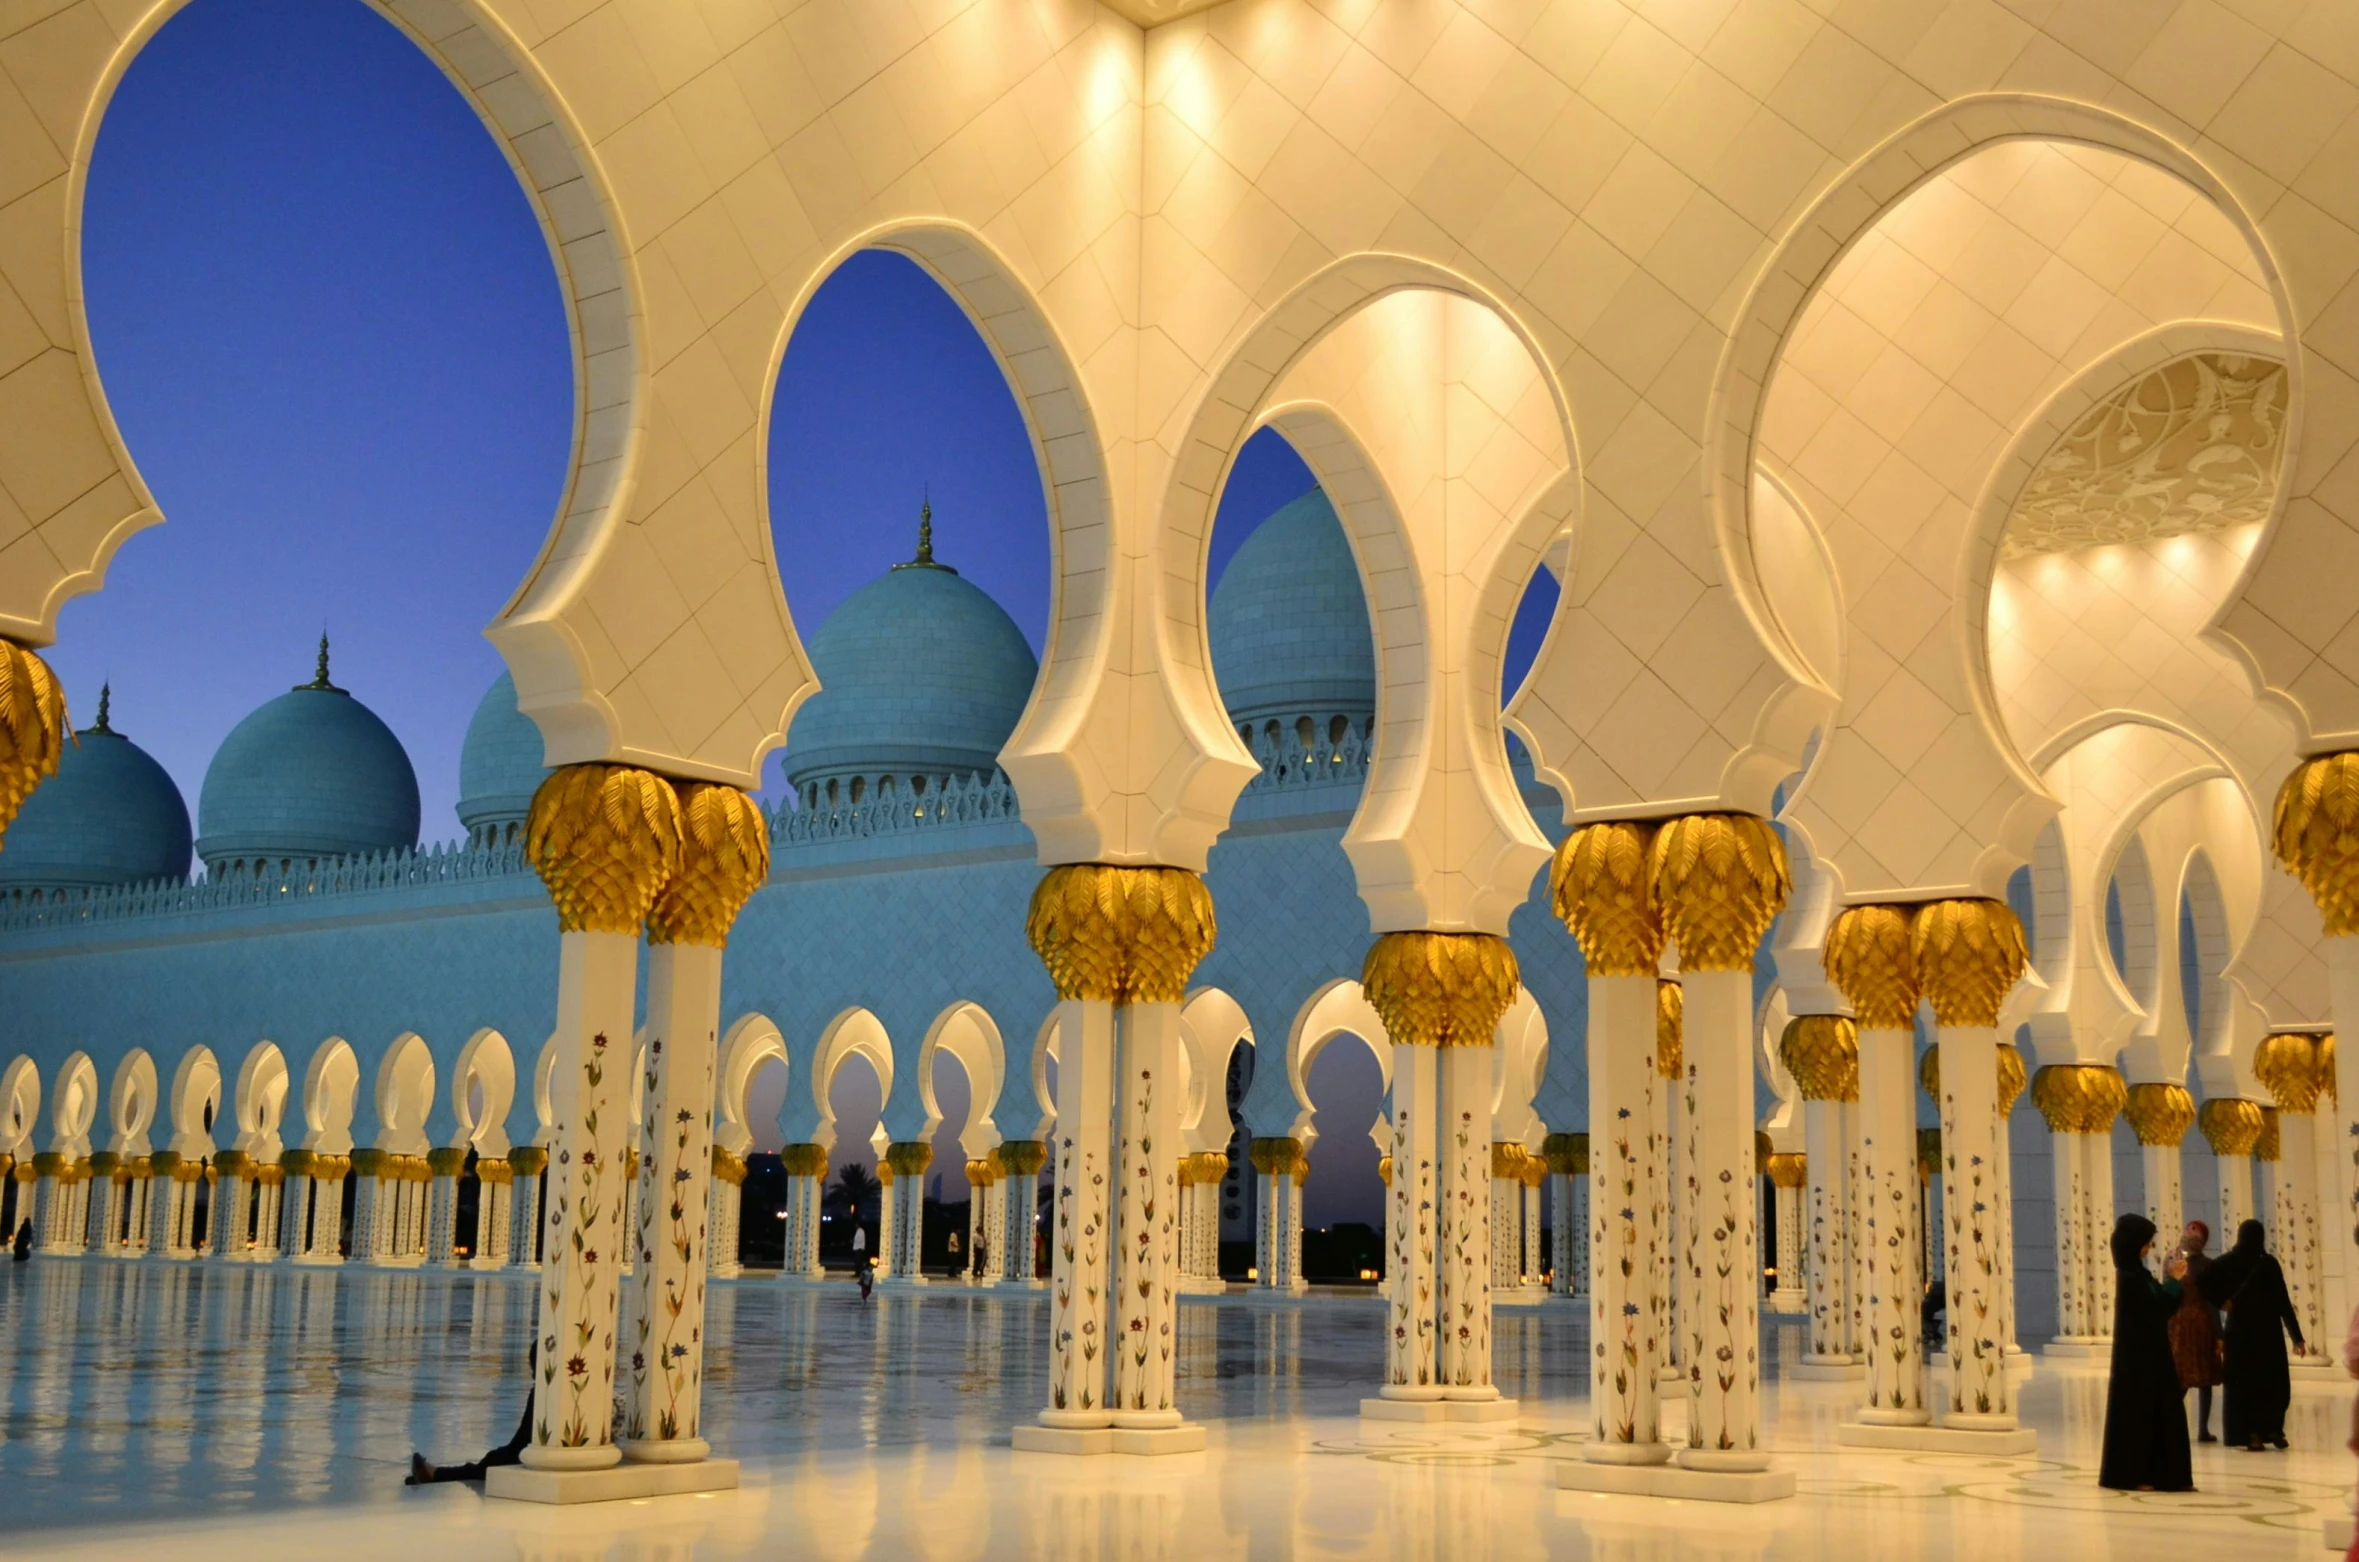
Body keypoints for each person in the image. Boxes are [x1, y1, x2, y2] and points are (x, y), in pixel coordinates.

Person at [2101, 1213, 2194, 1491]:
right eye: (2145, 1244)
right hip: (2138, 1363)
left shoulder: (2140, 1276)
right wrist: (2175, 1281)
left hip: (2153, 1358)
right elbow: (2158, 1310)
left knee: (2160, 1414)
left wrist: (2172, 1281)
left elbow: (2160, 1307)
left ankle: (2163, 1474)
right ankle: (2136, 1474)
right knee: (2140, 1417)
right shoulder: (2130, 1279)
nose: (2148, 1249)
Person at [2199, 1218, 2307, 1451]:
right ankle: (2271, 1430)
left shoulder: (2229, 1262)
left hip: (2241, 1333)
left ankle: (2253, 1434)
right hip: (2267, 1334)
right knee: (2270, 1383)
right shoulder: (2268, 1264)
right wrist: (2296, 1337)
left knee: (2244, 1385)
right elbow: (2283, 1302)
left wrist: (2222, 1301)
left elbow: (2203, 1281)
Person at [409, 1342, 535, 1485]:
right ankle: (437, 1474)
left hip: (526, 1458)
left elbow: (519, 1446)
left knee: (493, 1460)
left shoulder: (540, 1396)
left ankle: (436, 1475)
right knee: (493, 1459)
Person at [2169, 1220, 2223, 1442]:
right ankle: (2201, 1429)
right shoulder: (2208, 1265)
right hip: (2201, 1324)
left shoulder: (2174, 1261)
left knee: (2181, 1377)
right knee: (2204, 1378)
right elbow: (2212, 1302)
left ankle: (2170, 1424)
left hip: (2179, 1323)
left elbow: (2168, 1291)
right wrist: (2219, 1334)